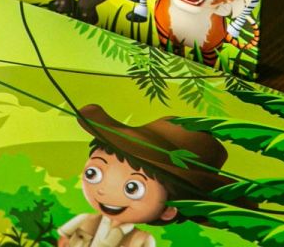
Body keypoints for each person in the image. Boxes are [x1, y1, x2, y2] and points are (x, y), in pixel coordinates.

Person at [58, 104, 234, 247]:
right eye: (93, 173)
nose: (104, 190)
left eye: (133, 188)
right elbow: (63, 241)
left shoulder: (141, 240)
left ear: (169, 210)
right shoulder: (86, 220)